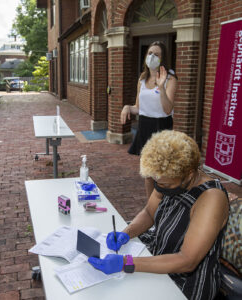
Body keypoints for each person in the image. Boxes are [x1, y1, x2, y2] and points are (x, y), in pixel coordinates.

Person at [88, 130, 229, 300]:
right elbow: (149, 213)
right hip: (156, 255)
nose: (158, 187)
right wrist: (127, 232)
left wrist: (125, 263)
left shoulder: (211, 198)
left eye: (165, 184)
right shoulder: (168, 179)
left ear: (189, 174)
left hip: (185, 281)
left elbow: (187, 261)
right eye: (156, 182)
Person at [120, 41, 177, 199]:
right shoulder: (142, 79)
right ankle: (151, 210)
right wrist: (127, 107)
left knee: (161, 174)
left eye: (156, 54)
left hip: (161, 127)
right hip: (144, 125)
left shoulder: (170, 78)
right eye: (150, 53)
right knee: (147, 173)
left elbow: (167, 109)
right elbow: (138, 107)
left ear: (163, 58)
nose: (152, 56)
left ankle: (164, 206)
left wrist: (161, 87)